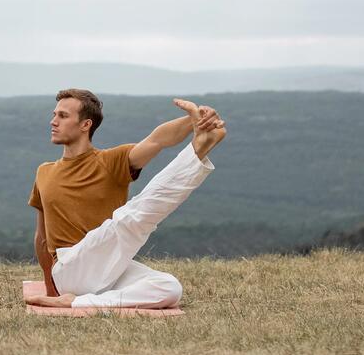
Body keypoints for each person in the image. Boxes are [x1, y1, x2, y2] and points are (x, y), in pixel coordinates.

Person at [25, 89, 227, 309]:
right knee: (130, 219)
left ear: (86, 125)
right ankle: (198, 149)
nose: (53, 121)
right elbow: (42, 237)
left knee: (169, 287)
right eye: (54, 115)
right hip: (70, 269)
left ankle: (81, 302)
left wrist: (194, 120)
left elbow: (157, 140)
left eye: (63, 116)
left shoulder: (110, 161)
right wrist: (49, 286)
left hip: (108, 269)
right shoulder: (44, 172)